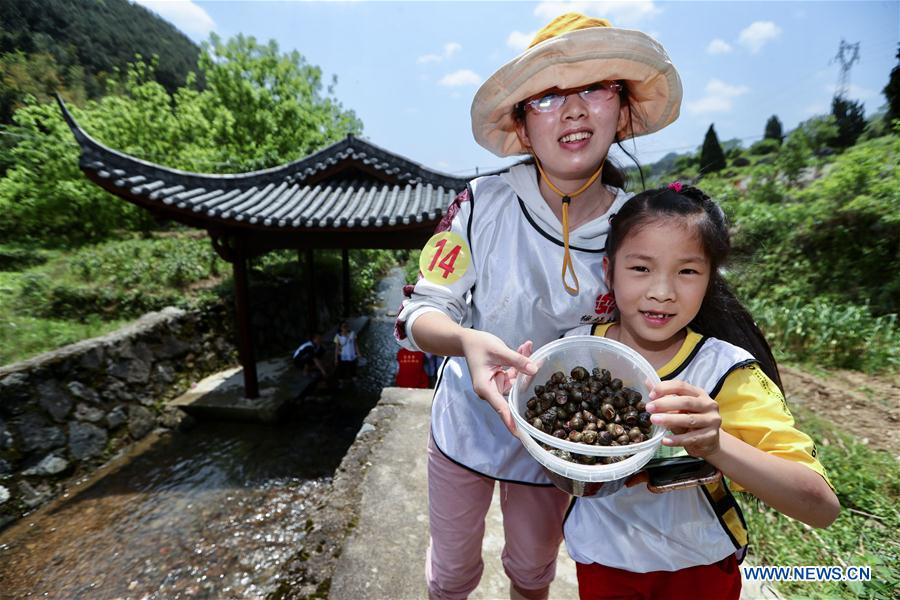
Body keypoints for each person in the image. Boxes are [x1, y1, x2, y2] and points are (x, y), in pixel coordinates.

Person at [394, 13, 683, 600]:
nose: (573, 110)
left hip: (561, 438)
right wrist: (465, 340)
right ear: (523, 127)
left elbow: (659, 328)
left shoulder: (641, 226)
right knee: (451, 573)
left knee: (532, 571)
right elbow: (419, 312)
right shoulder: (480, 203)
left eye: (595, 88)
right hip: (467, 423)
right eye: (547, 96)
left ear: (623, 110)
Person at [561, 184, 840, 599]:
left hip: (696, 568)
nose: (662, 291)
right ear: (609, 271)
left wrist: (716, 444)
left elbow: (821, 508)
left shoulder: (726, 371)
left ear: (710, 279)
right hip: (601, 562)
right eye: (641, 268)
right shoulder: (574, 352)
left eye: (687, 271)